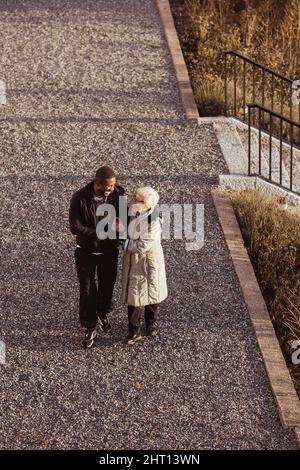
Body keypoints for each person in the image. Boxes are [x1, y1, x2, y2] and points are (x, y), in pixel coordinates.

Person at [69, 166, 125, 349]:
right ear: (97, 183)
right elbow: (75, 227)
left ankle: (102, 313)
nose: (110, 189)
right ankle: (89, 325)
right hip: (85, 251)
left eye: (113, 186)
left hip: (109, 251)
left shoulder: (118, 197)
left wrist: (119, 236)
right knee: (87, 288)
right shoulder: (80, 198)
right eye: (107, 186)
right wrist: (98, 233)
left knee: (107, 285)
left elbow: (124, 222)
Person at [122, 187, 168, 346]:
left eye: (139, 200)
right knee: (135, 296)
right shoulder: (135, 212)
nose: (135, 201)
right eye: (135, 197)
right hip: (136, 261)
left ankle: (148, 324)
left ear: (148, 204)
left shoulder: (153, 220)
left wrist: (124, 243)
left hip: (147, 261)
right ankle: (135, 329)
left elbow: (143, 244)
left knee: (149, 293)